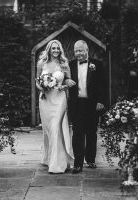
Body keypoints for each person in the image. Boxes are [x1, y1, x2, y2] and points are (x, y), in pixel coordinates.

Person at [36, 40, 76, 173]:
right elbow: (37, 81)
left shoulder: (64, 63)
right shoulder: (41, 63)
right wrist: (42, 87)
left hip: (59, 99)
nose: (56, 51)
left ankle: (57, 164)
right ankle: (49, 158)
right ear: (49, 49)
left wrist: (62, 86)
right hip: (46, 99)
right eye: (53, 48)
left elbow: (68, 82)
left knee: (56, 128)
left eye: (58, 49)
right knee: (48, 130)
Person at [68, 40, 108, 173]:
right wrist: (66, 80)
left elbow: (103, 84)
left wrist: (101, 101)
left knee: (91, 133)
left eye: (80, 50)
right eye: (76, 51)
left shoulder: (97, 64)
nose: (78, 53)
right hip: (76, 104)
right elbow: (63, 79)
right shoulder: (71, 65)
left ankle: (90, 160)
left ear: (86, 50)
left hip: (92, 103)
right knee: (77, 134)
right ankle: (78, 163)